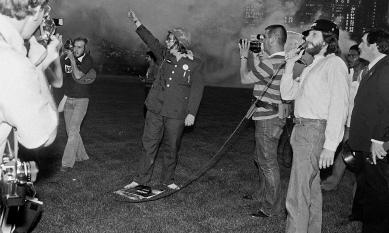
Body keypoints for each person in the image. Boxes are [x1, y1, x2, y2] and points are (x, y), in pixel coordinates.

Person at [280, 19, 349, 233]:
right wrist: (290, 63)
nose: (307, 39)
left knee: (296, 194)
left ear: (328, 41)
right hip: (301, 130)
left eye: (313, 35)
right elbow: (286, 94)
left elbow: (340, 104)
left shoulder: (334, 64)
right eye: (307, 35)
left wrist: (331, 145)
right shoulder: (312, 64)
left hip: (313, 130)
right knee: (310, 191)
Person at [125, 10, 204, 190]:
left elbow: (197, 89)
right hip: (155, 108)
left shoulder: (195, 63)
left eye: (170, 39)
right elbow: (150, 40)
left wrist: (191, 113)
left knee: (172, 147)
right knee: (149, 144)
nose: (166, 41)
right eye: (167, 39)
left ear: (179, 42)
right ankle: (140, 178)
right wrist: (137, 22)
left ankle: (168, 180)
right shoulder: (163, 55)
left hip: (177, 113)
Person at [239, 25, 291, 217]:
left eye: (265, 38)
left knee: (268, 162)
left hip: (268, 119)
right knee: (260, 157)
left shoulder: (272, 63)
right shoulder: (280, 61)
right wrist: (256, 55)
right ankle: (262, 194)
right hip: (271, 116)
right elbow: (261, 74)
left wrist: (244, 55)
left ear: (272, 39)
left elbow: (245, 78)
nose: (262, 42)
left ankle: (272, 207)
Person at [348, 29, 389, 233]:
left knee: (377, 194)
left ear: (375, 45)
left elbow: (387, 106)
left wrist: (379, 140)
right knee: (368, 190)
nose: (360, 45)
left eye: (363, 42)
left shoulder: (385, 68)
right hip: (366, 144)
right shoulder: (374, 67)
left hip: (375, 146)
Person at [321, 44, 368, 191]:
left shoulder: (366, 75)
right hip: (345, 121)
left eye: (353, 56)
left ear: (361, 58)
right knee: (342, 153)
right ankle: (332, 182)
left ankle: (359, 186)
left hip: (359, 123)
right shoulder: (347, 72)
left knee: (355, 155)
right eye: (349, 55)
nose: (350, 58)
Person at [60, 37, 95, 172]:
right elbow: (58, 69)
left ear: (84, 49)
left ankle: (67, 163)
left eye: (80, 47)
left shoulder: (88, 60)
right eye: (75, 46)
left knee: (73, 130)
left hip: (81, 100)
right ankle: (82, 155)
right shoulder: (67, 58)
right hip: (69, 99)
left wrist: (72, 60)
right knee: (71, 131)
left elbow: (79, 75)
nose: (76, 49)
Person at [140, 51, 158, 117]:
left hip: (151, 90)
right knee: (146, 106)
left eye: (147, 57)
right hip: (147, 89)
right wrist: (144, 79)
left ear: (152, 58)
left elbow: (156, 80)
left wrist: (146, 80)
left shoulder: (155, 67)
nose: (146, 58)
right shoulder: (150, 67)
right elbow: (150, 78)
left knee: (148, 107)